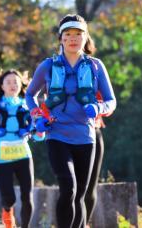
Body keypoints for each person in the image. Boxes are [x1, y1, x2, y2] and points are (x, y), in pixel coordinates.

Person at [26, 14, 117, 228]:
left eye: (78, 34)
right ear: (61, 39)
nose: (73, 38)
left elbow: (111, 101)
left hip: (85, 137)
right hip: (57, 134)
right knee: (68, 186)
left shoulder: (95, 66)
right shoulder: (48, 66)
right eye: (68, 34)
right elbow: (30, 95)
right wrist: (37, 115)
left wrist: (98, 107)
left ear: (86, 38)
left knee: (80, 195)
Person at [0, 69, 43, 228]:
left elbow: (37, 133)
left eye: (16, 82)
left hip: (23, 154)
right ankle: (8, 215)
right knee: (9, 199)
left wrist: (41, 132)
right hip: (0, 156)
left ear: (21, 86)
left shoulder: (28, 106)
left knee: (28, 196)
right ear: (2, 86)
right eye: (9, 82)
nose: (13, 85)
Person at [84, 92, 113, 227]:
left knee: (90, 187)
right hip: (66, 136)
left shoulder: (97, 73)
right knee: (71, 188)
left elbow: (110, 104)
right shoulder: (61, 72)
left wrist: (99, 108)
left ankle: (83, 224)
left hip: (93, 133)